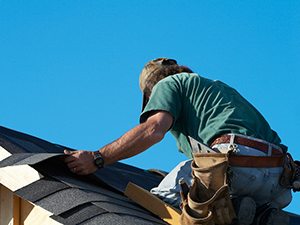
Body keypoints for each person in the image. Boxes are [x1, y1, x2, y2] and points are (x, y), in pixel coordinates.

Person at [64, 57, 293, 225]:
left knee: (163, 199)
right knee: (233, 213)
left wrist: (97, 158)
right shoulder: (218, 92)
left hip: (236, 165)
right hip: (278, 184)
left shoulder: (168, 84)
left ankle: (223, 208)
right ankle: (256, 216)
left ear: (151, 91)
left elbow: (153, 130)